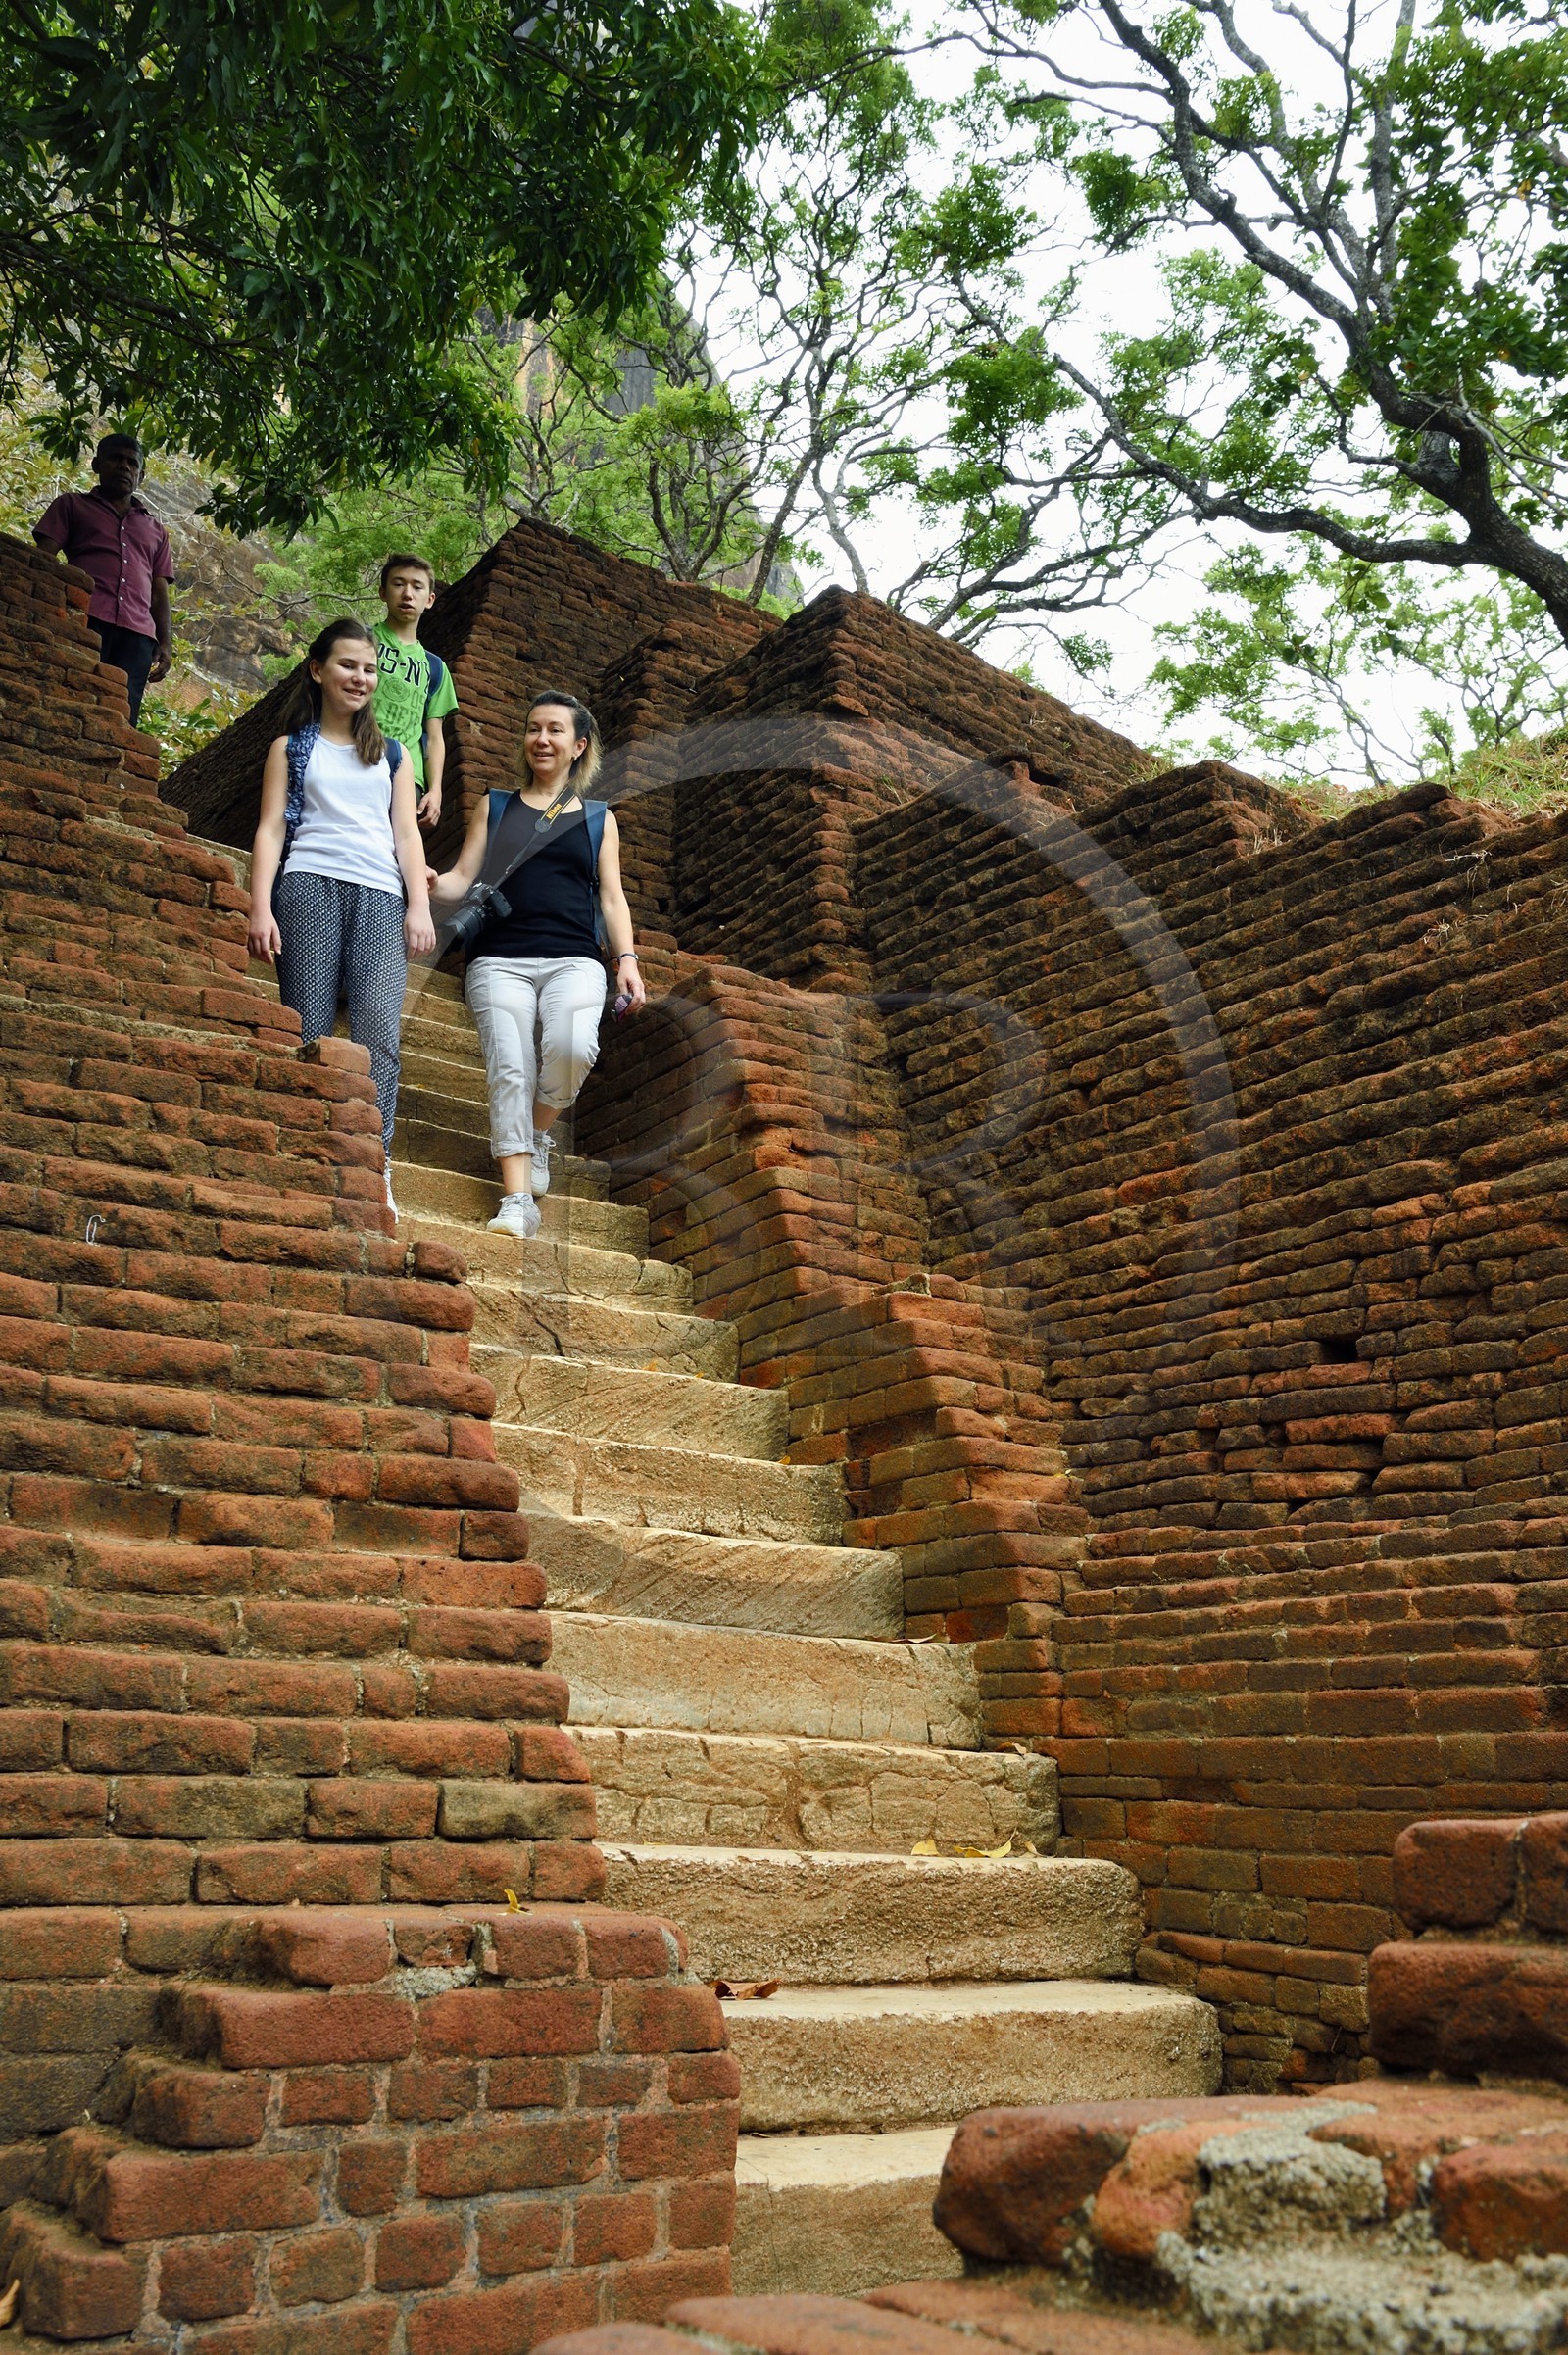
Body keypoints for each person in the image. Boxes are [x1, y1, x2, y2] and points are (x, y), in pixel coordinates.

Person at [429, 689, 645, 1240]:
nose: (541, 739)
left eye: (554, 730)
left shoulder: (600, 819)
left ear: (578, 745)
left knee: (574, 1047)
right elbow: (461, 877)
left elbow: (613, 899)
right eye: (533, 728)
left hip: (575, 957)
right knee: (510, 1065)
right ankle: (518, 1199)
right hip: (499, 960)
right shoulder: (496, 805)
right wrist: (428, 880)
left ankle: (537, 1132)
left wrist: (626, 959)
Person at [246, 618, 437, 1219]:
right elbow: (271, 828)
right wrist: (258, 905)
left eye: (369, 669)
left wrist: (420, 903)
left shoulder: (394, 756)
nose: (360, 678)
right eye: (348, 666)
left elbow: (406, 833)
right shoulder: (291, 746)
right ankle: (306, 1152)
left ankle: (373, 1167)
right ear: (317, 670)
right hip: (307, 887)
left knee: (381, 1037)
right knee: (309, 1028)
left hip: (380, 895)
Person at [33, 433, 174, 725]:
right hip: (83, 620)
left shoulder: (156, 531)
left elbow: (159, 592)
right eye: (115, 458)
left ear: (141, 474)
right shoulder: (71, 505)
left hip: (137, 637)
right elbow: (42, 562)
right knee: (69, 699)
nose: (124, 466)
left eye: (132, 462)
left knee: (119, 717)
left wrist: (166, 643)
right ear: (97, 464)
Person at [372, 554, 458, 833]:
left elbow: (434, 737)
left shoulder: (436, 668)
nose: (407, 593)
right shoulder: (361, 642)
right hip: (355, 754)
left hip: (407, 778)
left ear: (430, 599)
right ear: (383, 592)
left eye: (417, 587)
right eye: (399, 584)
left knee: (392, 856)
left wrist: (436, 791)